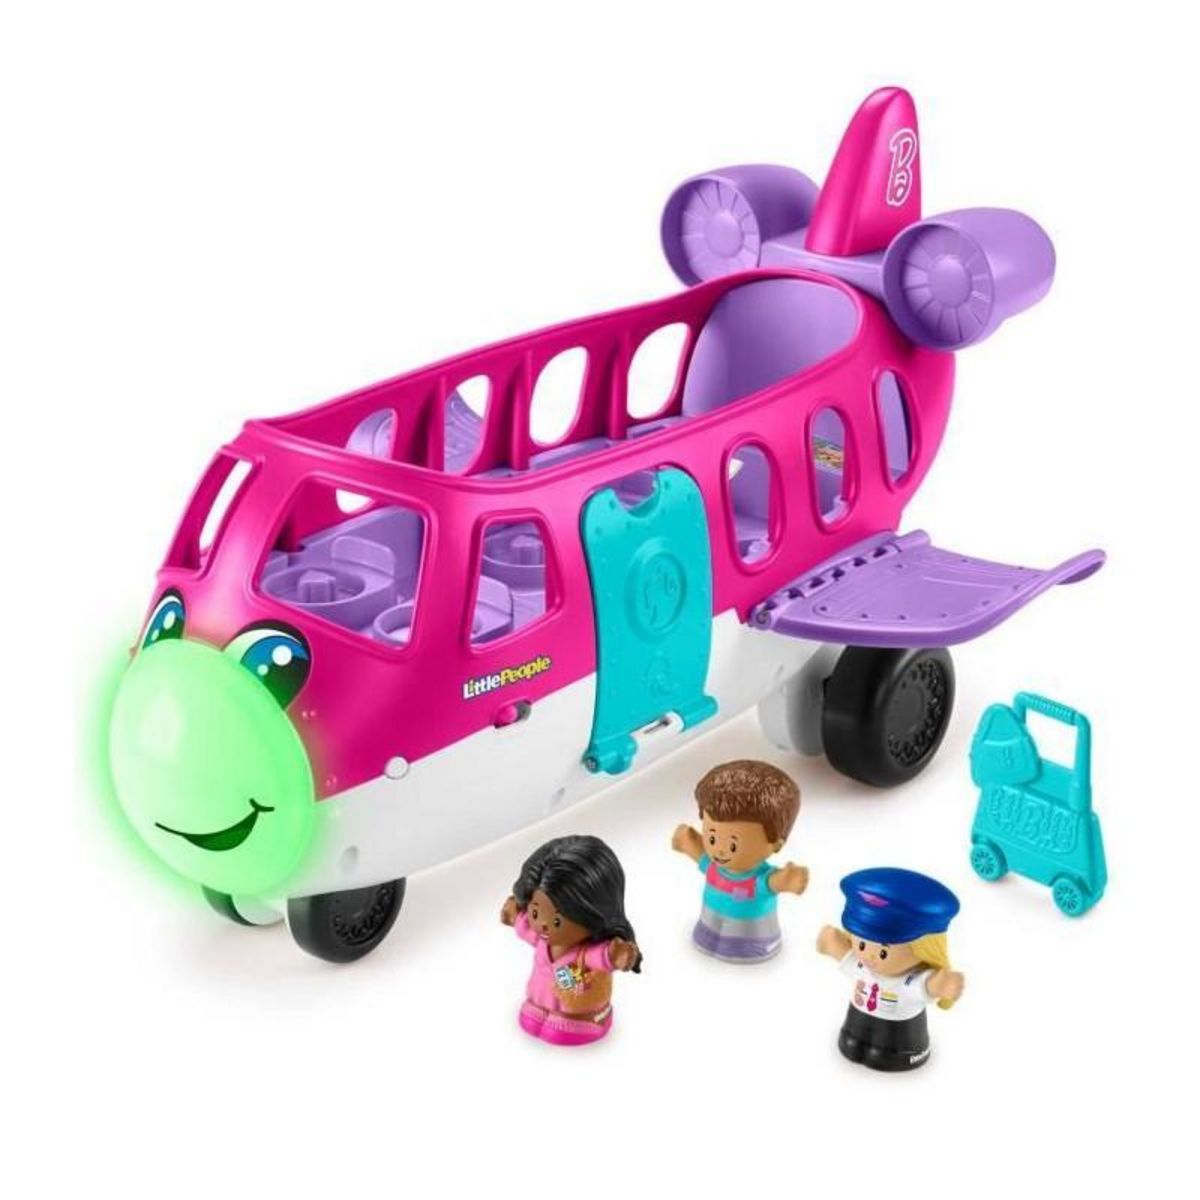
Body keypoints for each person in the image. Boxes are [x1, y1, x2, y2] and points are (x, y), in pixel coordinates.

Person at [817, 867, 964, 1072]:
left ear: (922, 949)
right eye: (862, 945)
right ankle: (852, 1039)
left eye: (883, 952)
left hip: (900, 1031)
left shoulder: (909, 980)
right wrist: (832, 943)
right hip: (858, 1015)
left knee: (886, 1053)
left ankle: (891, 1053)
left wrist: (941, 984)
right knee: (852, 1040)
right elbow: (849, 958)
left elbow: (925, 985)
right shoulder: (863, 966)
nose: (868, 956)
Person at [501, 835, 641, 1046]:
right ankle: (540, 1009)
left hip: (576, 1007)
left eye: (557, 921)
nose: (543, 925)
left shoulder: (583, 954)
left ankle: (578, 1020)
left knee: (561, 1027)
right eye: (535, 913)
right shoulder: (542, 940)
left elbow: (601, 956)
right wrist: (515, 917)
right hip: (540, 996)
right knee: (531, 1018)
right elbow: (526, 928)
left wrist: (615, 955)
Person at [671, 759, 809, 963]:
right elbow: (701, 856)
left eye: (733, 845)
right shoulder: (714, 867)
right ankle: (709, 935)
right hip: (707, 928)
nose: (719, 850)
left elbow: (772, 883)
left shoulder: (759, 880)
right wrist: (689, 843)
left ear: (776, 844)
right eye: (712, 838)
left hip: (752, 940)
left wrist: (787, 880)